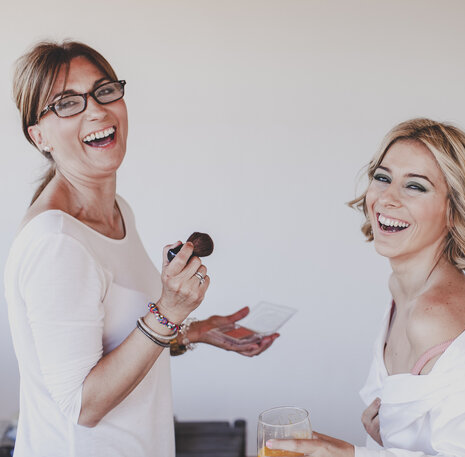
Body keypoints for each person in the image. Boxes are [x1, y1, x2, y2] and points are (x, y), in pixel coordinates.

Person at [4, 40, 278, 456]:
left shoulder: (117, 211)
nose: (96, 110)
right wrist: (169, 311)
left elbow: (116, 340)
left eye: (104, 91)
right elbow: (83, 405)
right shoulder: (56, 243)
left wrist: (193, 332)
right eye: (66, 103)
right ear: (39, 136)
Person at [268, 119, 465, 457]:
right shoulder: (403, 287)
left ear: (454, 210)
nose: (387, 197)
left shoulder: (433, 318)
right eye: (383, 177)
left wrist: (350, 455)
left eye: (415, 186)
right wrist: (392, 430)